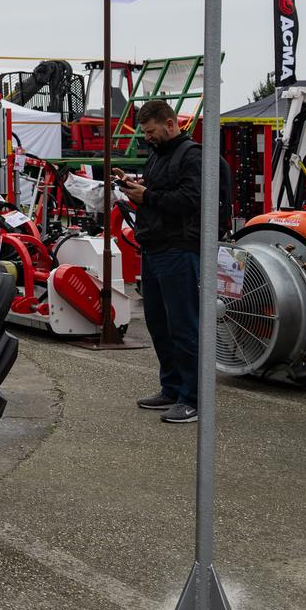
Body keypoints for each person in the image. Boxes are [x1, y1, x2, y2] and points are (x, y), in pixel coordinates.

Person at [117, 98, 203, 425]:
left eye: (151, 131)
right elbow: (159, 189)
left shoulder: (192, 156)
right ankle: (172, 387)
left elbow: (191, 199)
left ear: (170, 124)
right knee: (158, 323)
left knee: (183, 325)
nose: (147, 137)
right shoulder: (158, 155)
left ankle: (193, 398)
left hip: (179, 250)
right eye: (144, 132)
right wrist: (137, 186)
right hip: (154, 249)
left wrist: (147, 196)